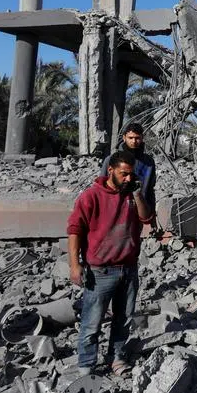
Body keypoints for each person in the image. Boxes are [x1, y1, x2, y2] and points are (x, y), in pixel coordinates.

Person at [68, 149, 153, 376]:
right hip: (100, 271)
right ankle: (86, 366)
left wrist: (137, 194)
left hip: (128, 268)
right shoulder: (91, 196)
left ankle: (116, 358)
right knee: (91, 323)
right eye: (124, 174)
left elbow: (146, 218)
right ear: (110, 170)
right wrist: (75, 265)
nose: (128, 178)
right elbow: (75, 230)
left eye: (131, 174)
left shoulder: (132, 194)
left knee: (123, 319)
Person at [101, 122, 158, 232]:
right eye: (130, 137)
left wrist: (151, 214)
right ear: (124, 138)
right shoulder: (111, 160)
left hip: (138, 212)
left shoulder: (148, 162)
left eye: (137, 138)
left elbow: (150, 190)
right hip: (115, 212)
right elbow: (102, 185)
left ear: (142, 138)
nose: (134, 141)